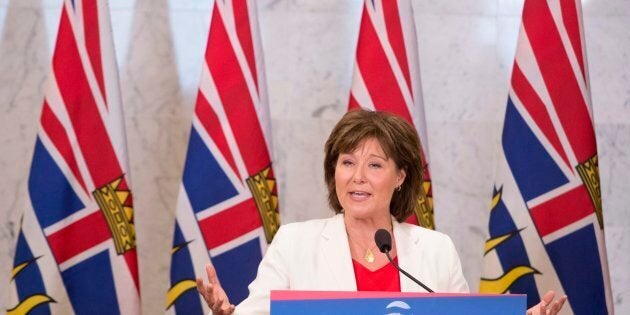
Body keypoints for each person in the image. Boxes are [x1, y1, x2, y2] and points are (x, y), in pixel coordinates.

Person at [196, 110, 567, 315]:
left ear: (400, 175)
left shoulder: (436, 250)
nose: (357, 177)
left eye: (374, 165)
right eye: (347, 162)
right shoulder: (295, 242)